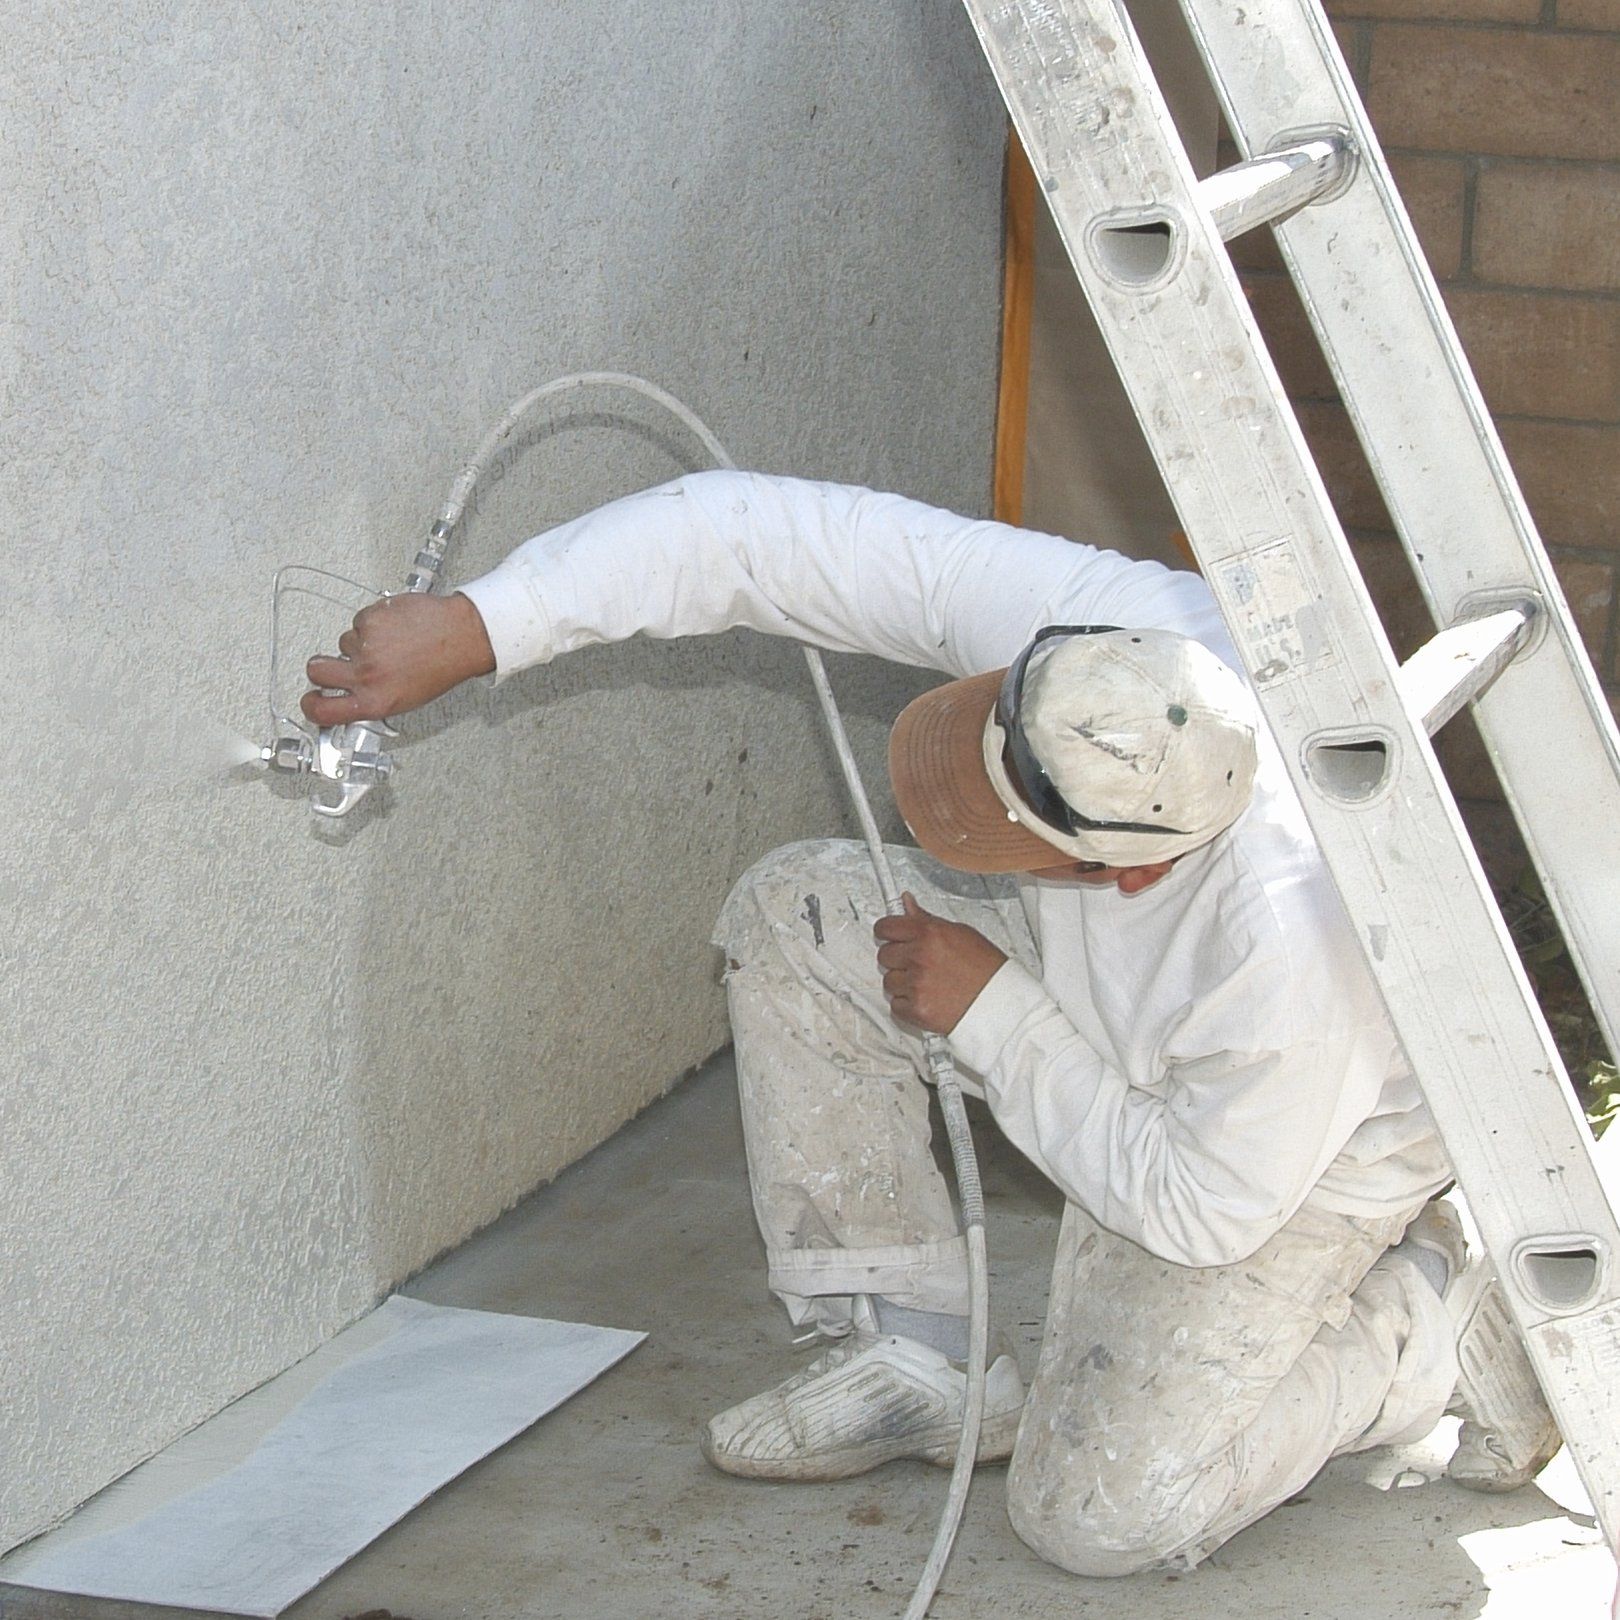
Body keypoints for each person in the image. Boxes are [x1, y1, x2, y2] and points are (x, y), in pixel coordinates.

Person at [304, 470, 1560, 1575]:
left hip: (1303, 1152)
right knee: (802, 913)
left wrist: (995, 1013)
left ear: (1122, 869)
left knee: (1103, 1518)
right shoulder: (1125, 652)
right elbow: (766, 535)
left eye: (997, 828)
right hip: (1129, 1012)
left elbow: (1200, 1201)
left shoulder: (1299, 947)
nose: (958, 817)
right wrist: (482, 625)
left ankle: (1425, 1323)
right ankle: (923, 1358)